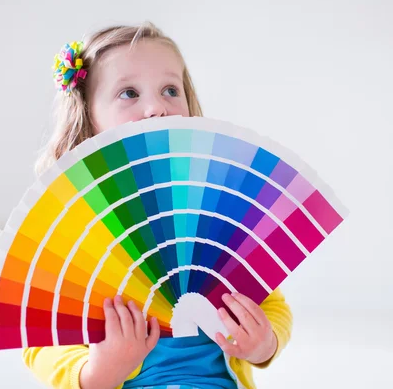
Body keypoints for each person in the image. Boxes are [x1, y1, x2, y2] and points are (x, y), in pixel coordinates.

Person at [23, 21, 293, 389]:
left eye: (170, 89)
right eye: (129, 93)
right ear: (88, 118)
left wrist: (264, 343)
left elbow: (272, 302)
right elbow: (38, 333)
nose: (156, 108)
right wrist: (96, 373)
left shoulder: (216, 209)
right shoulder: (74, 222)